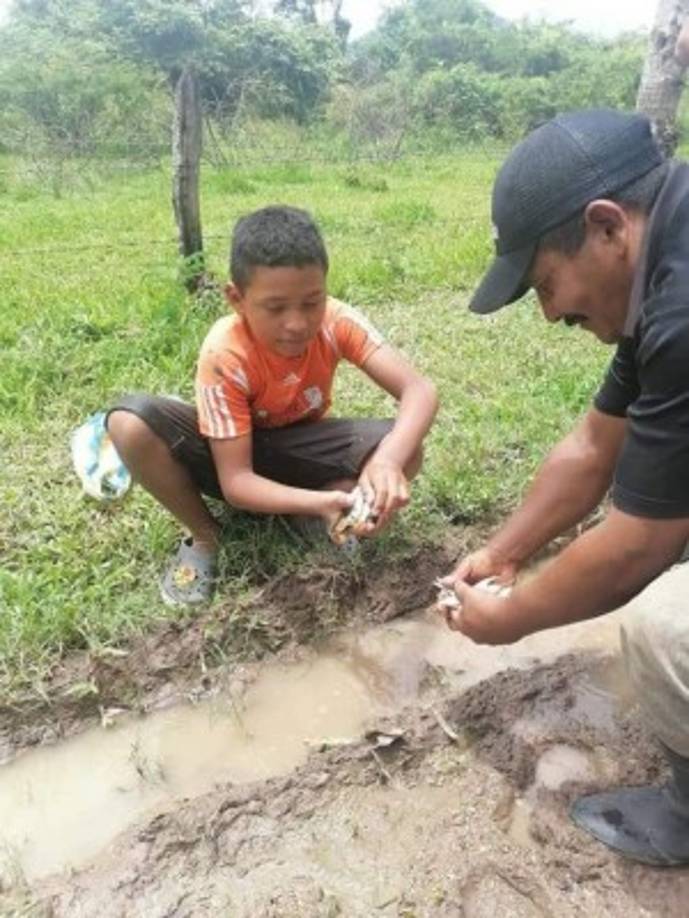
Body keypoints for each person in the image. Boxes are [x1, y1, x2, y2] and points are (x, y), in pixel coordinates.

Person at [440, 109, 689, 867]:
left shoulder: (682, 305)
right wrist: (504, 552)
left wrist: (511, 618)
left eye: (546, 284)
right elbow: (592, 447)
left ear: (607, 225)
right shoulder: (661, 269)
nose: (550, 314)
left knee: (664, 624)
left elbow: (637, 547)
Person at [107, 205, 437, 607]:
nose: (297, 323)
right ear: (236, 299)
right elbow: (236, 482)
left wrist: (385, 462)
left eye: (311, 302)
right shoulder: (225, 354)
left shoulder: (337, 322)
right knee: (129, 423)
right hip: (229, 457)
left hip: (299, 448)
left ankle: (315, 517)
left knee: (405, 450)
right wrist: (319, 501)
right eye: (276, 308)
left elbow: (419, 391)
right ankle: (207, 538)